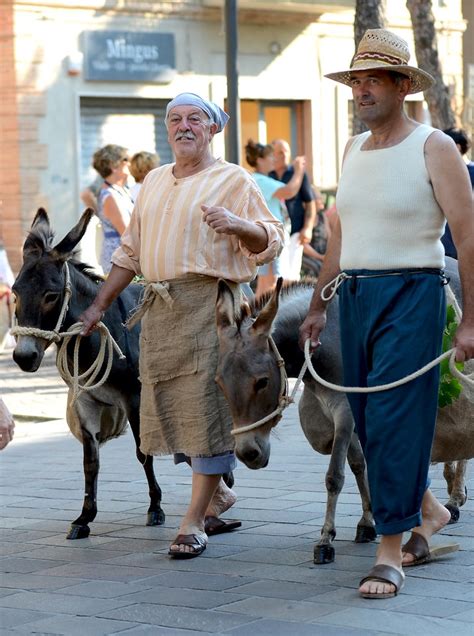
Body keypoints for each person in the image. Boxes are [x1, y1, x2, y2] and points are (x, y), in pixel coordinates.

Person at [300, 29, 474, 599]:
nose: (362, 91)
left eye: (374, 79)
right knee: (368, 423)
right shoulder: (351, 150)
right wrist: (319, 307)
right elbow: (339, 234)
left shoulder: (434, 146)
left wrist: (470, 320)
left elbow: (467, 239)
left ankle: (389, 549)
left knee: (397, 415)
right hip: (354, 295)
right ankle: (430, 511)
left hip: (414, 292)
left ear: (403, 86)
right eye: (355, 81)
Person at [79, 92, 284, 559]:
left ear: (213, 129)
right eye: (175, 119)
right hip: (163, 308)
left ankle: (192, 521)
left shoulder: (232, 179)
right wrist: (97, 307)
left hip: (215, 307)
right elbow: (129, 252)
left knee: (209, 408)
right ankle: (214, 497)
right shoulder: (151, 180)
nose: (184, 126)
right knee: (169, 405)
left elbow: (271, 237)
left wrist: (238, 224)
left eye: (195, 118)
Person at [245, 139, 305, 297]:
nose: (273, 159)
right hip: (272, 237)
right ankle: (263, 319)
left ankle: (254, 318)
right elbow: (289, 191)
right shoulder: (260, 180)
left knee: (265, 283)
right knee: (272, 283)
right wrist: (299, 170)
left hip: (268, 236)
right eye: (270, 157)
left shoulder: (260, 179)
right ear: (260, 160)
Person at [270, 139, 316, 280]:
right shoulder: (268, 175)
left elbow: (310, 203)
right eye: (279, 152)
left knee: (291, 277)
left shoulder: (298, 173)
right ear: (272, 155)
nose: (283, 155)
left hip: (295, 233)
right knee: (275, 278)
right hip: (274, 234)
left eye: (286, 152)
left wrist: (307, 228)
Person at [92, 145, 135, 274]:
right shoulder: (110, 196)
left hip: (125, 256)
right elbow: (127, 232)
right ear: (114, 166)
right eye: (125, 159)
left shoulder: (122, 190)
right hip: (118, 260)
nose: (129, 162)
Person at [441, 127, 474, 259]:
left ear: (457, 147)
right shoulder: (441, 171)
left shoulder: (472, 171)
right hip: (445, 241)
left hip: (465, 239)